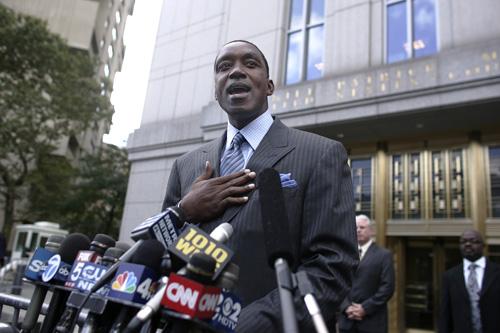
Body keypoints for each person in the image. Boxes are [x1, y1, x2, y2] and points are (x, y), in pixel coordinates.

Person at [162, 40, 358, 332]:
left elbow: (332, 267)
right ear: (216, 90)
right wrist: (184, 210)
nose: (236, 72)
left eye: (250, 63)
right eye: (224, 67)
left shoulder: (321, 154)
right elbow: (158, 256)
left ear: (269, 86)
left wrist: (251, 323)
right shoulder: (186, 165)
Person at [338, 214, 395, 333]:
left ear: (371, 231)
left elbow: (387, 288)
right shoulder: (344, 254)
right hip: (347, 321)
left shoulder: (384, 255)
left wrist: (364, 308)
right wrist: (346, 307)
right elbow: (338, 282)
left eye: (362, 227)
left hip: (372, 322)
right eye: (356, 228)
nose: (358, 230)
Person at [439, 229, 500, 333]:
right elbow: (445, 314)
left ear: (483, 246)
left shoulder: (497, 272)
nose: (467, 244)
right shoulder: (449, 276)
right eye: (463, 242)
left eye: (473, 241)